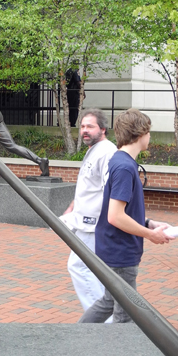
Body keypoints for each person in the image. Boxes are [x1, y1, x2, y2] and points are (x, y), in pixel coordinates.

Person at [79, 109, 170, 324]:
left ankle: (75, 337)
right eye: (148, 132)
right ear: (140, 134)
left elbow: (118, 211)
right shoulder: (125, 167)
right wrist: (150, 234)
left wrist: (147, 222)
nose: (150, 137)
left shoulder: (119, 161)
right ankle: (118, 353)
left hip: (114, 247)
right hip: (120, 251)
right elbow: (115, 216)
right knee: (126, 315)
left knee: (109, 302)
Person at [61, 108, 117, 312]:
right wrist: (72, 207)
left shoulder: (107, 152)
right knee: (95, 271)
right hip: (85, 222)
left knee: (79, 267)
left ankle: (101, 319)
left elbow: (109, 190)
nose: (84, 130)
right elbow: (88, 186)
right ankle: (106, 315)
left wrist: (106, 223)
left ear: (102, 128)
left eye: (90, 126)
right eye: (82, 126)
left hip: (94, 226)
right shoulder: (93, 150)